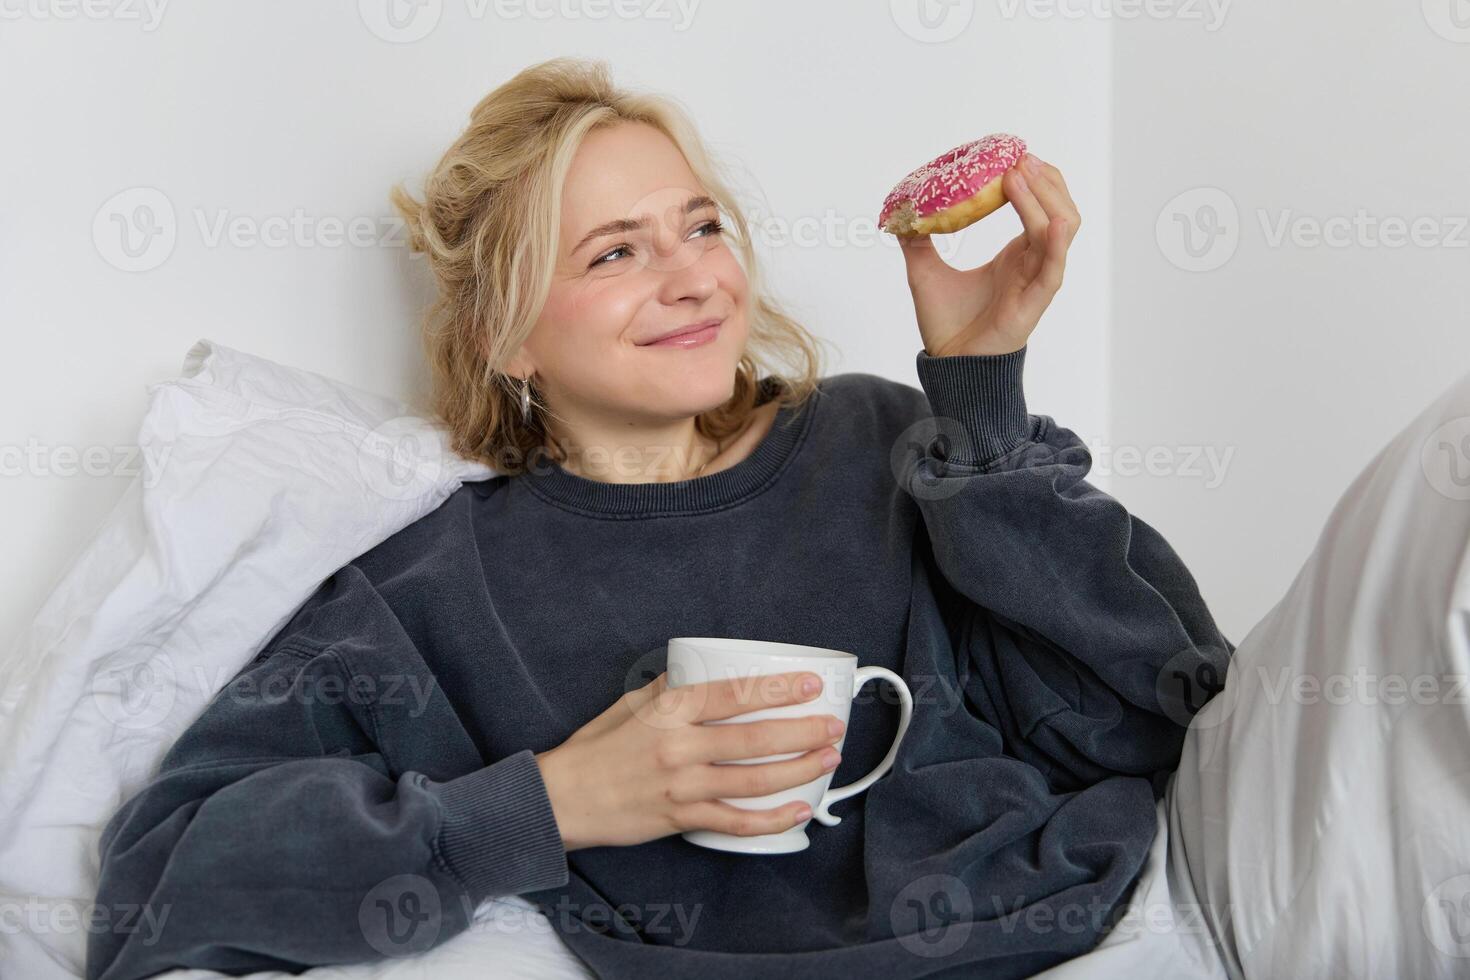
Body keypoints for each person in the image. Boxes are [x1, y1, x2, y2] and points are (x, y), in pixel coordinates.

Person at [92, 55, 1462, 980]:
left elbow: (1163, 708)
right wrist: (557, 800)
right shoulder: (429, 591)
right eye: (614, 252)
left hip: (1131, 906)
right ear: (504, 334)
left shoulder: (872, 435)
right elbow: (155, 888)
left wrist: (977, 410)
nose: (689, 278)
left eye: (699, 226)